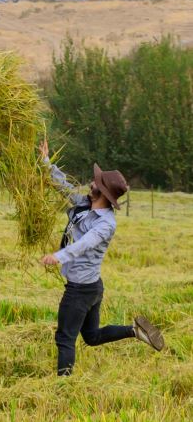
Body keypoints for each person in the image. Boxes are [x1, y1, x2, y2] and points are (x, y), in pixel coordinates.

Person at [38, 141, 163, 376]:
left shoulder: (106, 224)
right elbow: (62, 187)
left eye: (96, 182)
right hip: (93, 286)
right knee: (92, 337)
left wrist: (58, 256)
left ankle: (62, 388)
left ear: (103, 193)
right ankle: (135, 331)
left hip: (80, 290)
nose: (91, 182)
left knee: (65, 338)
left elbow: (85, 244)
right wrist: (46, 162)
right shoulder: (85, 204)